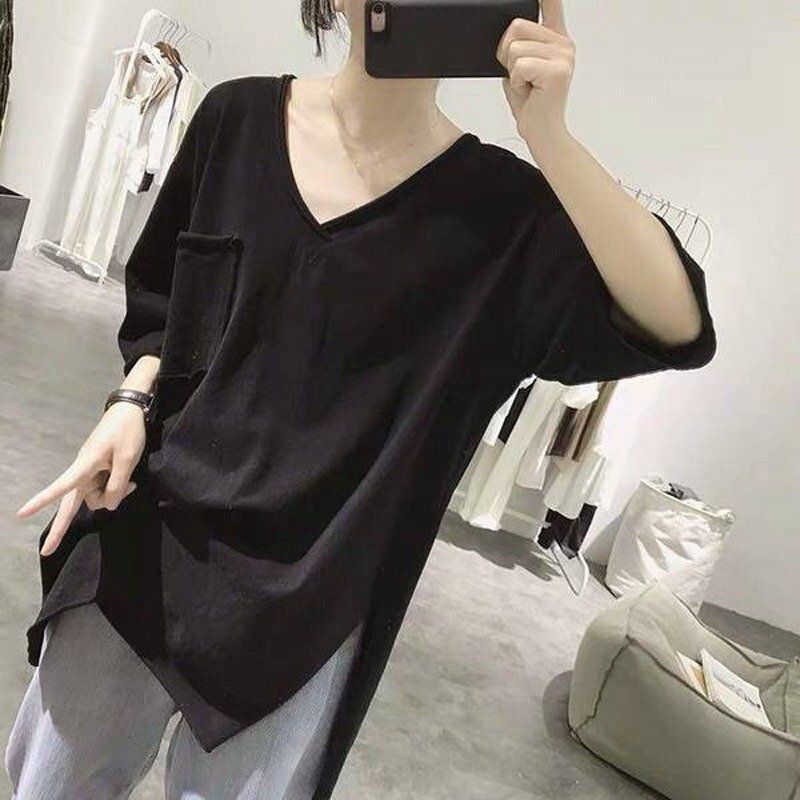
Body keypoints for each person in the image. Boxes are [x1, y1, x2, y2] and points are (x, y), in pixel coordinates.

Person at [6, 1, 717, 798]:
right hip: (146, 540)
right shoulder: (235, 119)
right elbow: (166, 309)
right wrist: (129, 402)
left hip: (310, 609)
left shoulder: (505, 221)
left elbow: (677, 325)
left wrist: (550, 136)